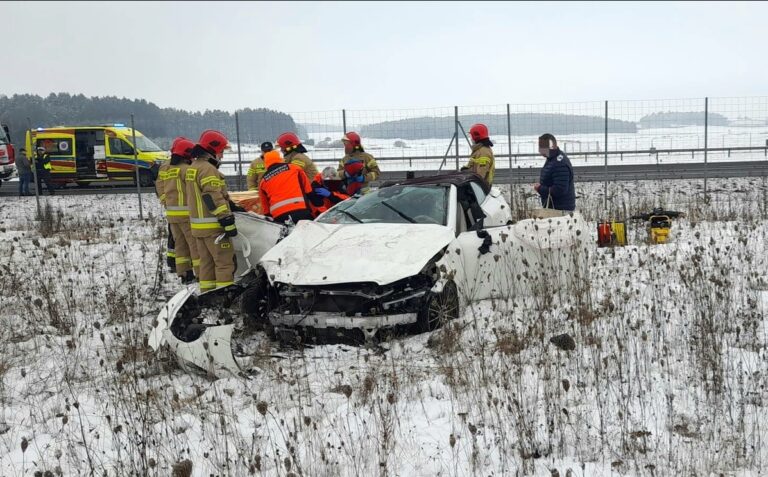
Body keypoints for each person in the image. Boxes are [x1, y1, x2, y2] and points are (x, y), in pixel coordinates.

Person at [185, 130, 237, 292]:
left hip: (198, 228)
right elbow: (211, 196)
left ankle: (207, 295)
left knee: (206, 263)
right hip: (214, 227)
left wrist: (232, 205)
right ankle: (224, 296)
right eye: (221, 151)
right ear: (213, 149)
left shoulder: (193, 167)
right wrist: (226, 219)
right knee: (224, 263)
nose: (222, 155)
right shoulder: (208, 169)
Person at [163, 137, 199, 284]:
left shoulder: (169, 170)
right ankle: (200, 273)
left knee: (180, 245)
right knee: (194, 245)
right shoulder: (187, 170)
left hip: (172, 214)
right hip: (186, 213)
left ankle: (184, 273)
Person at [259, 150, 325, 224]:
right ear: (280, 158)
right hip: (301, 211)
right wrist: (321, 210)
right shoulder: (294, 168)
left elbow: (266, 209)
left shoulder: (263, 181)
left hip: (279, 217)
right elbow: (309, 191)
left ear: (266, 163)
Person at [534, 133, 575, 211]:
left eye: (542, 147)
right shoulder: (553, 159)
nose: (539, 151)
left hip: (560, 210)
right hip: (556, 207)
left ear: (551, 147)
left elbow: (560, 189)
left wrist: (540, 189)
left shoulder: (559, 163)